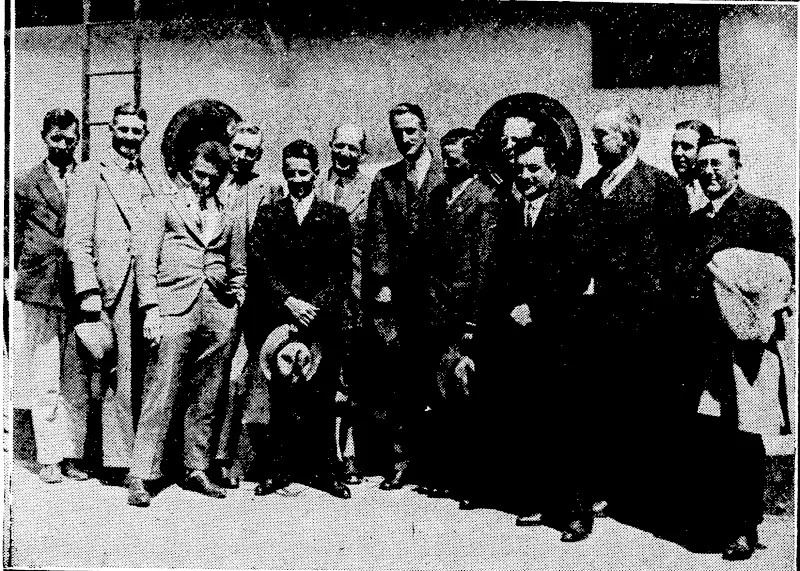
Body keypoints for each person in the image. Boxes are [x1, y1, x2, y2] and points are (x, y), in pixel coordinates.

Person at [462, 133, 596, 541]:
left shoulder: (573, 203)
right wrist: (510, 307)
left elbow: (576, 269)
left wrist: (535, 307)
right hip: (521, 332)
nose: (526, 176)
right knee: (534, 416)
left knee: (567, 421)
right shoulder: (513, 206)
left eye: (534, 168)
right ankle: (544, 499)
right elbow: (502, 267)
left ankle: (576, 512)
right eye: (520, 169)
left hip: (562, 329)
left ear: (553, 168)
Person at [581, 104, 688, 514]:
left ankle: (648, 494)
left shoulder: (661, 188)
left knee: (646, 404)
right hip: (601, 316)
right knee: (607, 404)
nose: (594, 142)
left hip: (648, 316)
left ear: (628, 139)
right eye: (594, 134)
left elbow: (677, 257)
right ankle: (610, 488)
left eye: (602, 134)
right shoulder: (591, 189)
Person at [127, 141, 245, 506]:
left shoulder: (230, 211)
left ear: (222, 177)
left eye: (212, 177)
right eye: (199, 174)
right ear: (188, 169)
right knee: (162, 388)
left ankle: (196, 467)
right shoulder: (164, 202)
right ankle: (142, 473)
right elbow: (145, 260)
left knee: (208, 391)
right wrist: (149, 309)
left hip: (218, 309)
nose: (204, 183)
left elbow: (238, 263)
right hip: (174, 305)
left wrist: (235, 302)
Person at [243, 139, 352, 499]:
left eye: (304, 173)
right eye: (290, 174)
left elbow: (340, 273)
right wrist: (288, 302)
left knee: (320, 393)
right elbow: (260, 265)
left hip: (321, 320)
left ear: (317, 175)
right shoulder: (269, 214)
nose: (297, 180)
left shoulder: (334, 216)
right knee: (281, 394)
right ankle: (280, 469)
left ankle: (323, 469)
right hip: (279, 317)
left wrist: (313, 309)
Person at [66, 102, 160, 485]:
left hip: (147, 286)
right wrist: (88, 290)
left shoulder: (152, 179)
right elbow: (77, 239)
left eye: (136, 132)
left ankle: (144, 456)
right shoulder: (91, 174)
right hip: (110, 287)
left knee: (146, 371)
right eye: (122, 130)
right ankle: (117, 461)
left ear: (144, 136)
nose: (128, 139)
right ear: (111, 131)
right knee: (114, 375)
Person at [362, 103, 443, 490]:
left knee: (438, 377)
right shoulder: (385, 179)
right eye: (398, 132)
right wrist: (381, 281)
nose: (404, 139)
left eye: (411, 131)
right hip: (398, 295)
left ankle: (440, 463)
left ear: (424, 130)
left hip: (438, 294)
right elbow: (377, 234)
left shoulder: (448, 175)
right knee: (398, 379)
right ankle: (400, 458)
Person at [13, 108, 89, 483]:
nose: (64, 145)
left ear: (78, 138)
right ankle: (49, 456)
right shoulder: (26, 183)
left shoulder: (87, 176)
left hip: (78, 284)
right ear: (45, 138)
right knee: (45, 372)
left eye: (70, 138)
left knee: (74, 374)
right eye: (56, 138)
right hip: (41, 286)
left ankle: (73, 453)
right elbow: (12, 236)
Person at [416, 128, 492, 497]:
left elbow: (483, 264)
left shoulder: (484, 199)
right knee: (442, 393)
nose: (447, 163)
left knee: (465, 394)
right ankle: (447, 474)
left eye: (455, 157)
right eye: (444, 156)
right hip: (436, 309)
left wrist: (473, 319)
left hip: (462, 312)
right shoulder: (442, 195)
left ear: (472, 159)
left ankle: (471, 479)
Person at [212, 121, 275, 489]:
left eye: (251, 152)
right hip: (212, 292)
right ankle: (197, 456)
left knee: (242, 377)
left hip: (251, 296)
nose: (242, 157)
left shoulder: (264, 189)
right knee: (211, 375)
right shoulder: (208, 183)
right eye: (238, 148)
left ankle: (230, 458)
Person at [317, 122, 372, 483]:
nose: (345, 154)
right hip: (321, 293)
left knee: (351, 375)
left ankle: (349, 453)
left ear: (361, 153)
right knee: (322, 372)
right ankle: (324, 453)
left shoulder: (371, 188)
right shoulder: (315, 185)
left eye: (353, 148)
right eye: (340, 146)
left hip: (355, 290)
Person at [671, 120, 715, 213]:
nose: (676, 153)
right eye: (674, 146)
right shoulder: (666, 190)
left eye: (686, 147)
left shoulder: (716, 193)